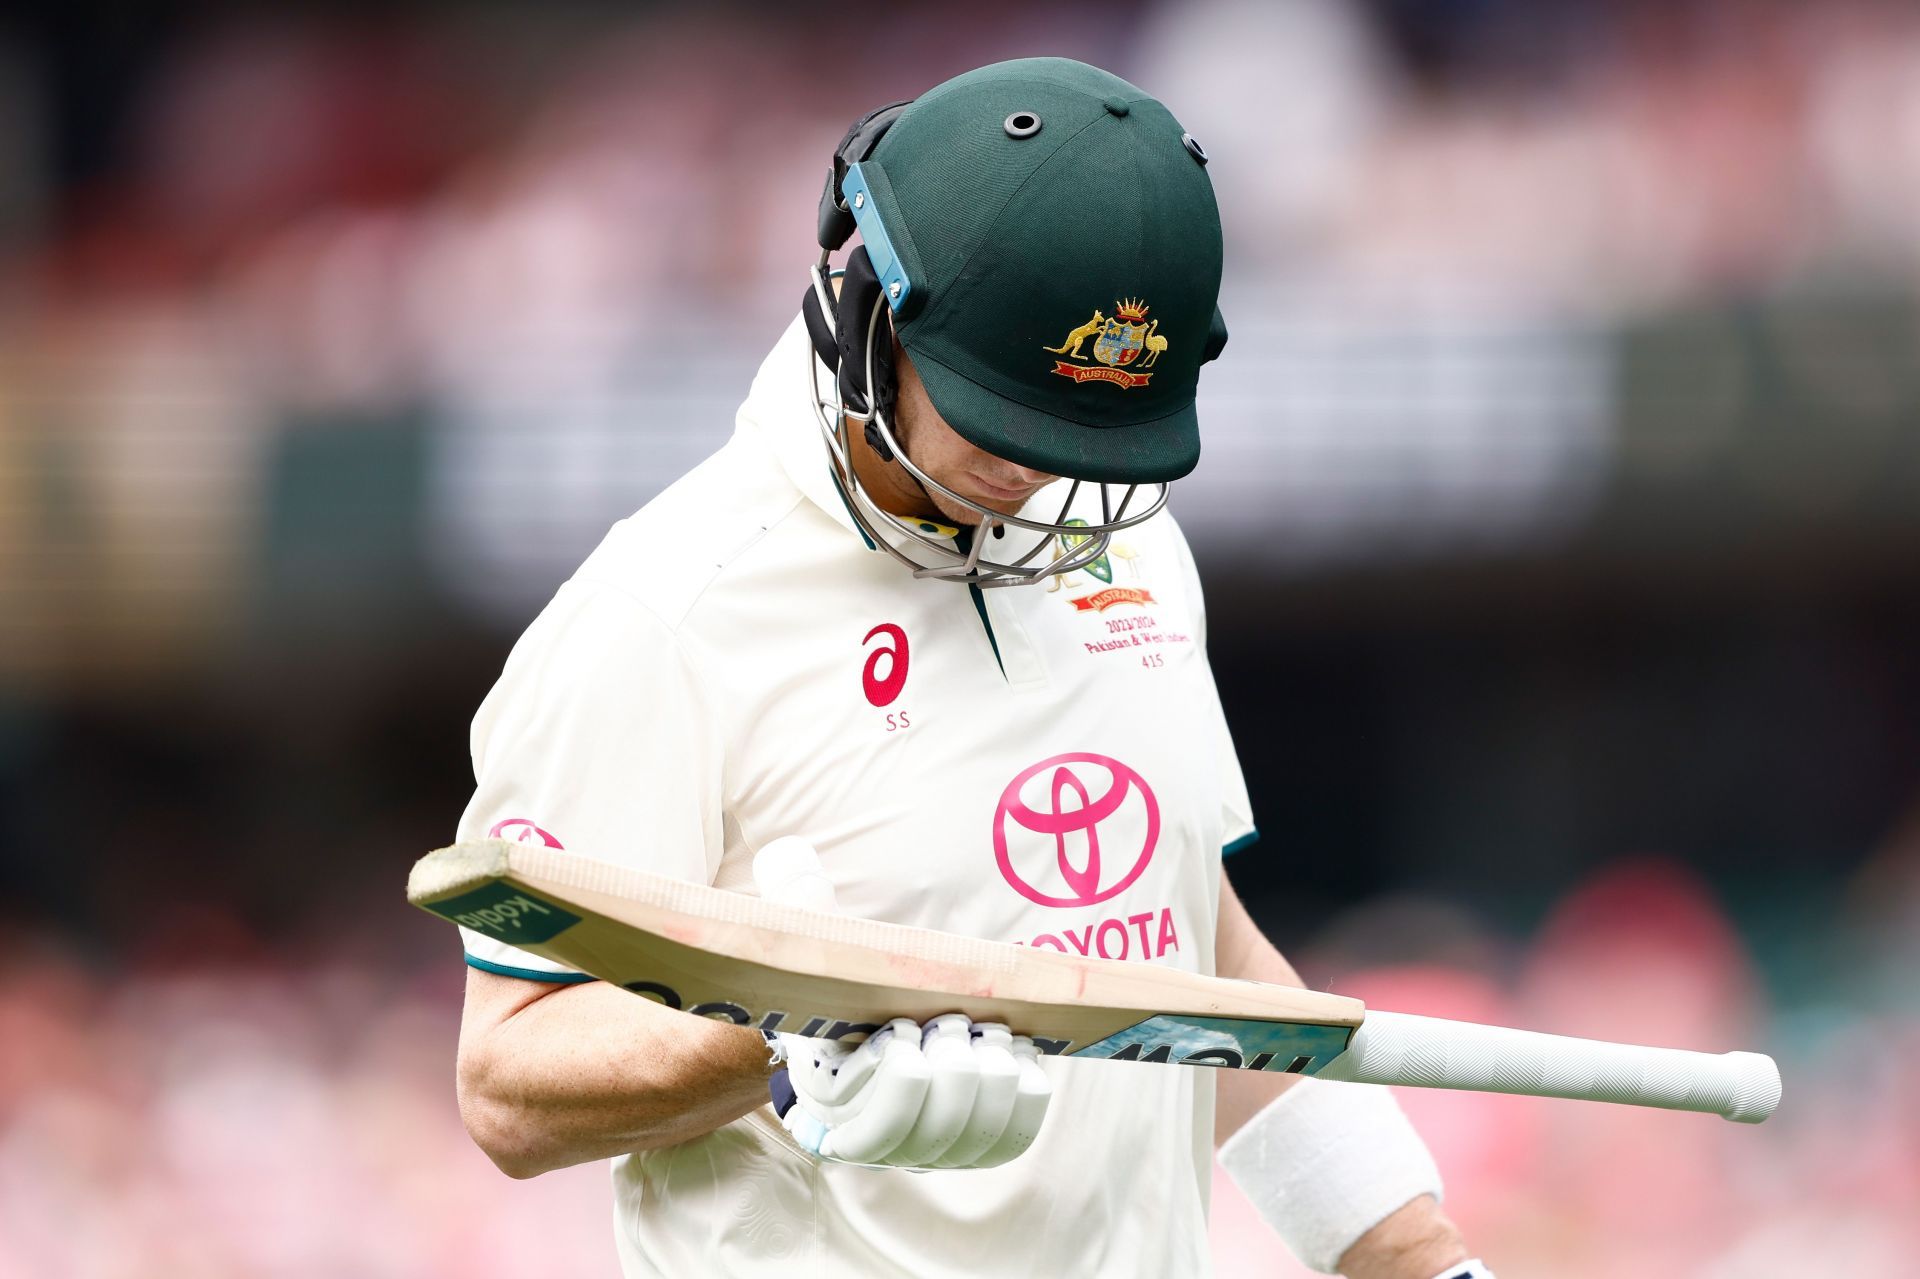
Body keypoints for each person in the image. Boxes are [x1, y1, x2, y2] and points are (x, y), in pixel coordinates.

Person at [450, 57, 1489, 1279]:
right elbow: (509, 1078)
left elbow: (1193, 962)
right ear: (875, 300)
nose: (1035, 476)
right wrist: (788, 1032)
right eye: (1001, 418)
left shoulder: (1138, 546)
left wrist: (1416, 1257)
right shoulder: (660, 616)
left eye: (1080, 435)